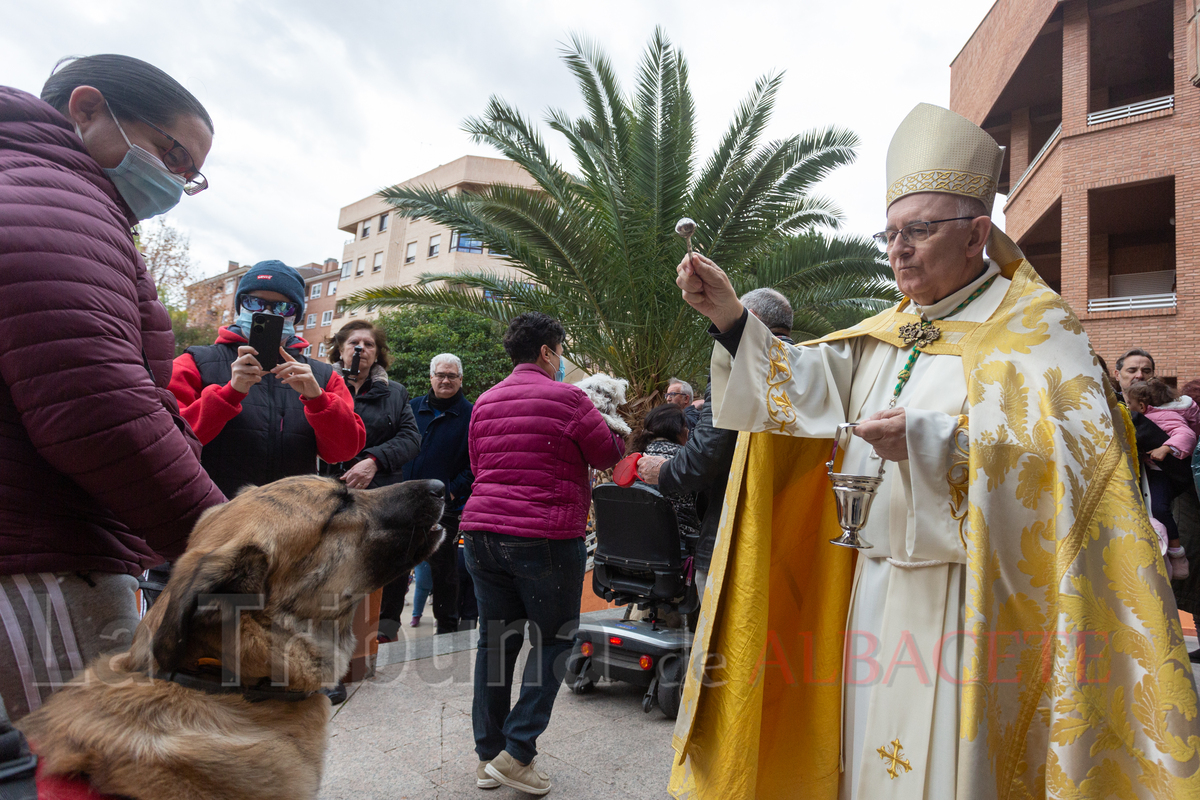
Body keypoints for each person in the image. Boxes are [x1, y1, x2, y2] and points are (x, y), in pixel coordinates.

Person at [667, 104, 1198, 798]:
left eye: (918, 231)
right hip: (873, 582)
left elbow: (1073, 465)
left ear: (979, 232)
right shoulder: (888, 329)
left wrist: (932, 442)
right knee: (866, 759)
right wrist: (731, 319)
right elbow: (803, 391)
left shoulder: (1039, 335)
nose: (898, 250)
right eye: (889, 233)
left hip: (970, 601)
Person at [0, 55, 225, 721]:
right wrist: (228, 543)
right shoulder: (59, 206)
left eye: (193, 173)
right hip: (43, 560)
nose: (179, 181)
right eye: (172, 152)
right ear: (87, 109)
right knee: (88, 766)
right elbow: (102, 409)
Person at [462, 312, 625, 795]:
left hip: (482, 533)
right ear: (549, 352)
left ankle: (488, 756)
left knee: (495, 644)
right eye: (561, 353)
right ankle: (518, 751)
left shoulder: (485, 401)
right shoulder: (569, 398)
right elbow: (607, 455)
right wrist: (616, 428)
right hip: (545, 538)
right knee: (554, 641)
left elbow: (478, 465)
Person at [638, 288, 795, 599]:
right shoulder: (807, 365)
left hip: (733, 536)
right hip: (793, 533)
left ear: (749, 321)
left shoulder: (734, 365)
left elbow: (708, 453)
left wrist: (664, 472)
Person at [169, 261, 365, 497]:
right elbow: (169, 442)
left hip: (292, 521)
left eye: (283, 307)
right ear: (239, 306)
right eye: (254, 302)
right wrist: (229, 393)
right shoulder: (195, 362)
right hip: (214, 516)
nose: (267, 312)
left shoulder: (323, 376)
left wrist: (319, 401)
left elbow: (343, 452)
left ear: (297, 316)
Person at [396, 353, 474, 636]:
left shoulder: (472, 415)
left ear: (460, 379)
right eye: (440, 375)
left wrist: (452, 493)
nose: (445, 380)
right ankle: (386, 625)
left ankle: (447, 628)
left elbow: (476, 463)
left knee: (445, 572)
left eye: (452, 376)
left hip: (443, 508)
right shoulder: (412, 408)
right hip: (403, 503)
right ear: (431, 377)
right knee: (396, 567)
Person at [1126, 379, 1196, 580]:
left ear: (1141, 406)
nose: (1127, 408)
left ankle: (1177, 554)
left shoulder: (1165, 416)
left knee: (1159, 509)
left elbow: (1187, 434)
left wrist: (1166, 448)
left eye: (1129, 404)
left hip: (1161, 473)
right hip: (1150, 470)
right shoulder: (1148, 415)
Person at [629, 404, 700, 544]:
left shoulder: (632, 460)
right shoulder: (688, 461)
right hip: (679, 543)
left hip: (636, 540)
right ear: (680, 431)